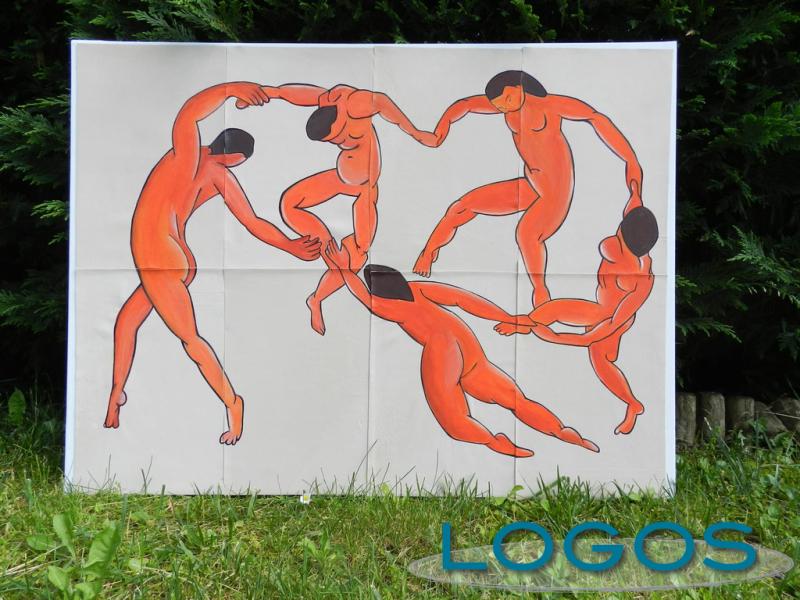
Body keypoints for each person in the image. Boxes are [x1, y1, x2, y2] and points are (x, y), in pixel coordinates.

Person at [104, 82, 321, 445]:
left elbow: (252, 222)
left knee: (191, 341)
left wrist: (289, 246)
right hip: (164, 254)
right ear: (224, 152)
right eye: (228, 163)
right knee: (127, 320)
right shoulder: (190, 158)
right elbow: (188, 115)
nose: (225, 170)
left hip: (162, 256)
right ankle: (117, 392)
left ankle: (233, 403)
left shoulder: (209, 169)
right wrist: (232, 88)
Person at [323, 241, 599, 458]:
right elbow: (463, 299)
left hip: (443, 348)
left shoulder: (392, 307)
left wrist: (343, 269)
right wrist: (506, 317)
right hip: (466, 343)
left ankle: (493, 441)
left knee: (454, 421)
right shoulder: (418, 289)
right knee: (515, 399)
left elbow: (365, 298)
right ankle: (563, 432)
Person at [413, 70, 643, 308]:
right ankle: (428, 252)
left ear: (520, 86)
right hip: (532, 184)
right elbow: (466, 105)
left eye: (508, 100)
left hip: (556, 191)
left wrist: (632, 167)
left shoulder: (551, 105)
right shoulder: (505, 104)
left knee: (526, 234)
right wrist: (439, 133)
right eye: (500, 106)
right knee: (463, 206)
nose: (505, 108)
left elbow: (596, 118)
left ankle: (541, 293)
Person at [263, 83, 437, 335]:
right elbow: (295, 95)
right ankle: (325, 243)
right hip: (341, 178)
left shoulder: (356, 104)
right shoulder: (327, 99)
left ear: (341, 118)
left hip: (364, 190)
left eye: (340, 137)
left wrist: (417, 133)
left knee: (357, 254)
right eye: (333, 142)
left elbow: (383, 102)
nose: (339, 142)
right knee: (289, 203)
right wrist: (271, 92)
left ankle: (316, 299)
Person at [495, 207, 658, 435]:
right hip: (601, 307)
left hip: (609, 317)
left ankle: (633, 404)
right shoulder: (634, 224)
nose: (615, 243)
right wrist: (632, 182)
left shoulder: (642, 281)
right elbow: (635, 196)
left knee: (600, 359)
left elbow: (590, 337)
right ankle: (524, 323)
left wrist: (554, 337)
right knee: (553, 310)